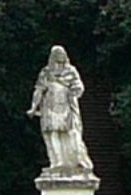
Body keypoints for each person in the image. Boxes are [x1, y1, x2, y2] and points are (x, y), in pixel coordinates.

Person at [27, 45, 94, 174]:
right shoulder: (46, 73)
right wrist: (33, 107)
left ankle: (76, 159)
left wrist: (70, 91)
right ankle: (57, 162)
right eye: (56, 54)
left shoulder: (71, 71)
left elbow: (79, 87)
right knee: (52, 133)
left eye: (61, 53)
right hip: (49, 107)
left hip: (66, 106)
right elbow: (39, 90)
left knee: (71, 133)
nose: (59, 56)